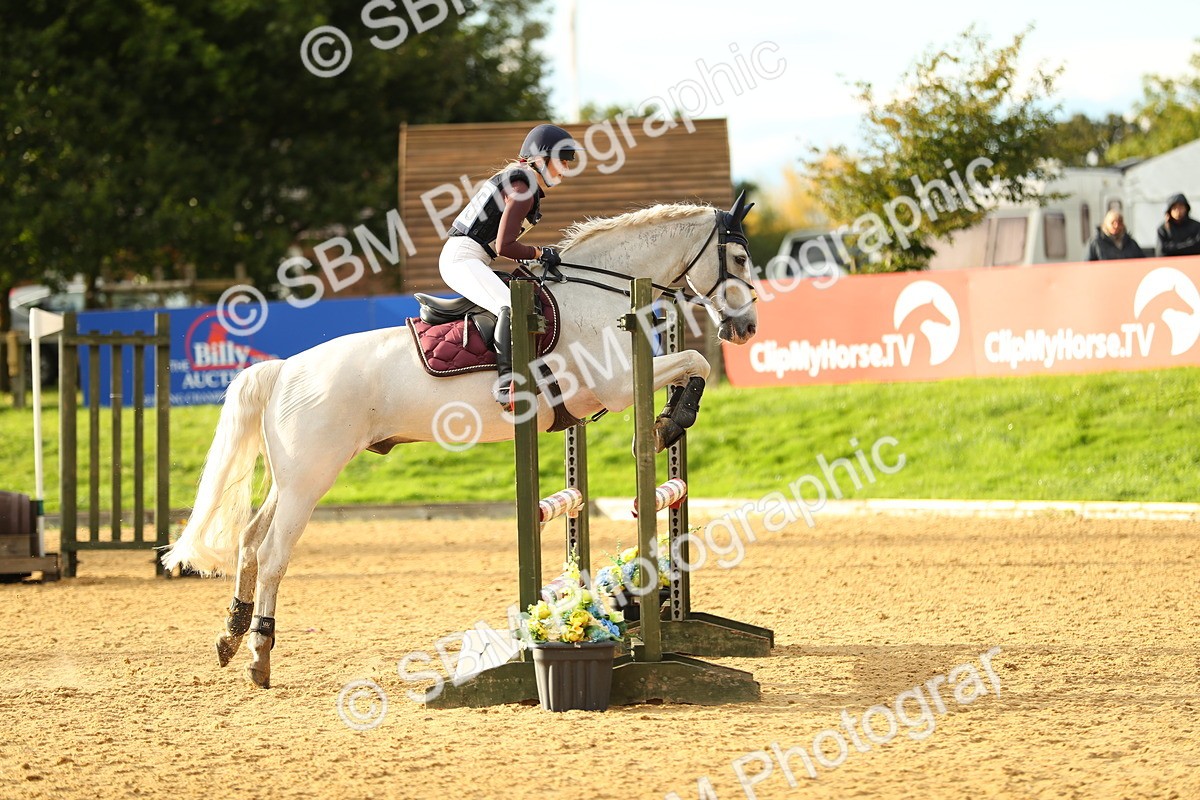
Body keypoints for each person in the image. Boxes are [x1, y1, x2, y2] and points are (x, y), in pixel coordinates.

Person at [439, 123, 578, 407]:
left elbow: (502, 247)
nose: (565, 167)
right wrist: (540, 252)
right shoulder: (523, 187)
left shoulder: (521, 182)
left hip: (473, 256)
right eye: (561, 160)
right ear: (540, 160)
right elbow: (505, 247)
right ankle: (507, 385)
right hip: (463, 258)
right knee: (513, 308)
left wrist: (537, 255)